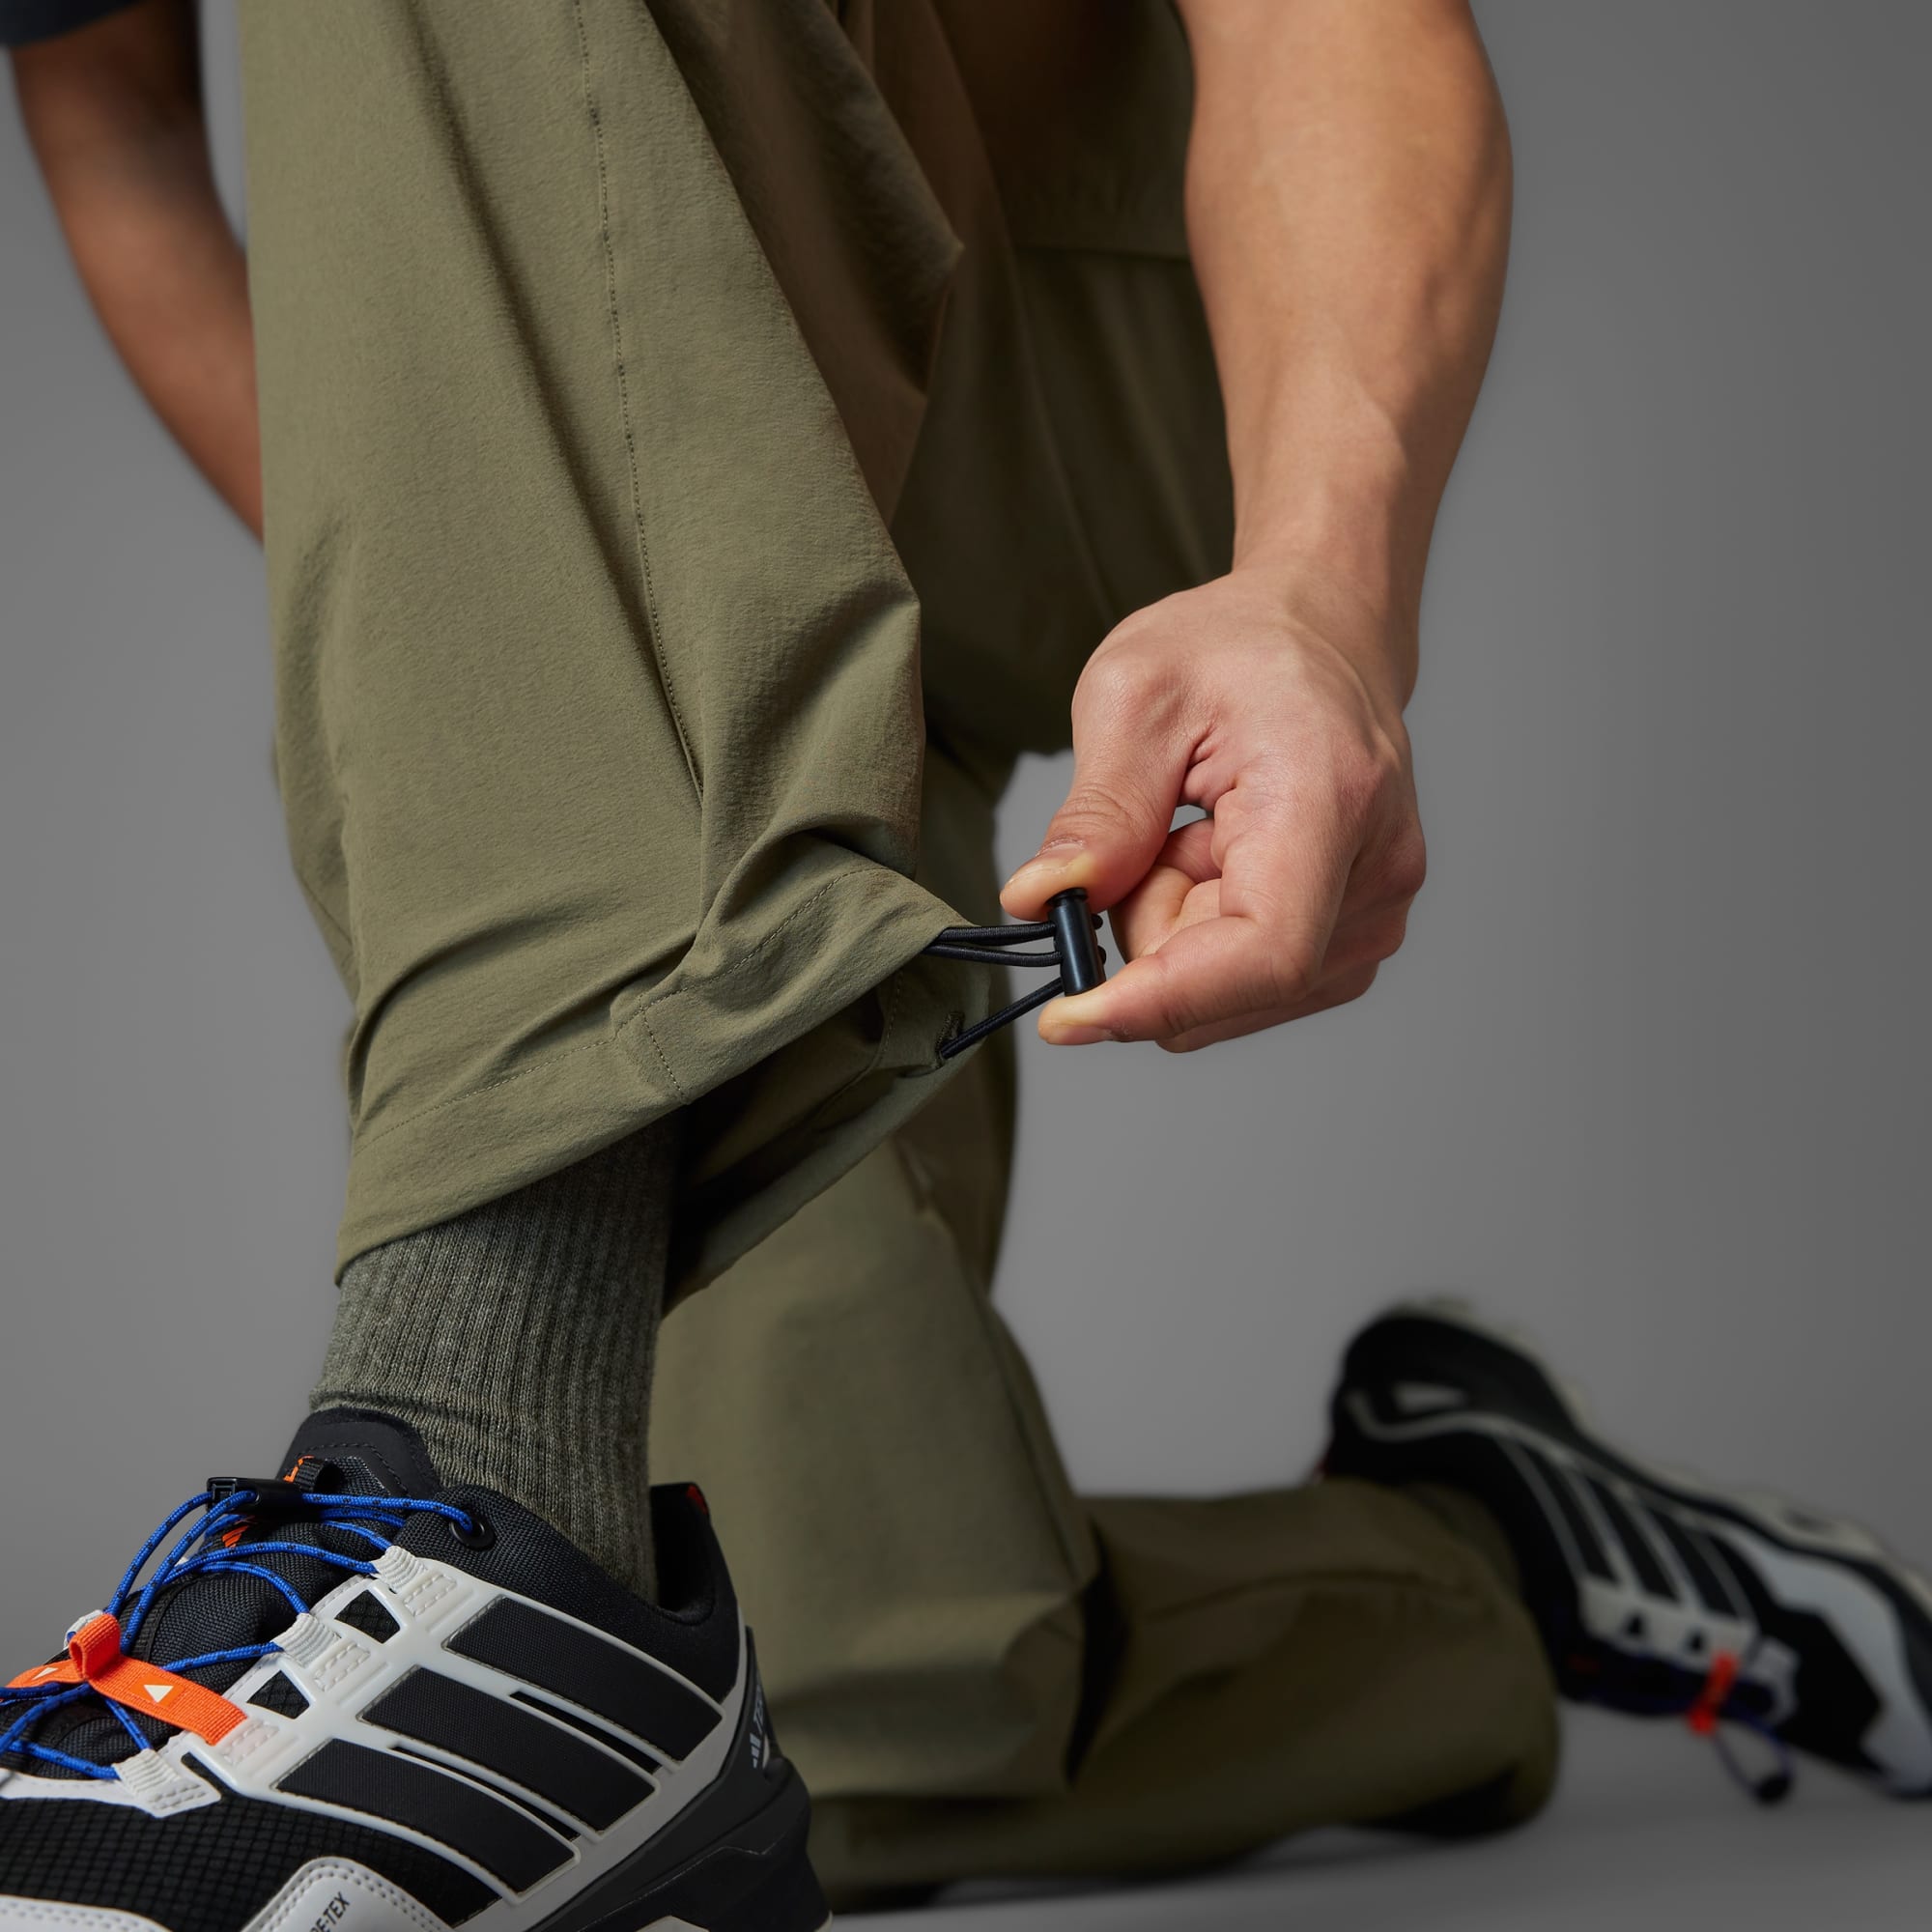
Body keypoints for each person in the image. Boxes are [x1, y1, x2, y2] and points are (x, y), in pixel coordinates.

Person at [3, 2, 1927, 1927]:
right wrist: (536, 624)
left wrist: (1322, 596)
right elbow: (121, 148)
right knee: (835, 1713)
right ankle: (1492, 1562)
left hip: (1139, 350)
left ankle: (457, 1478)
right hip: (649, 392)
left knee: (562, 1687)